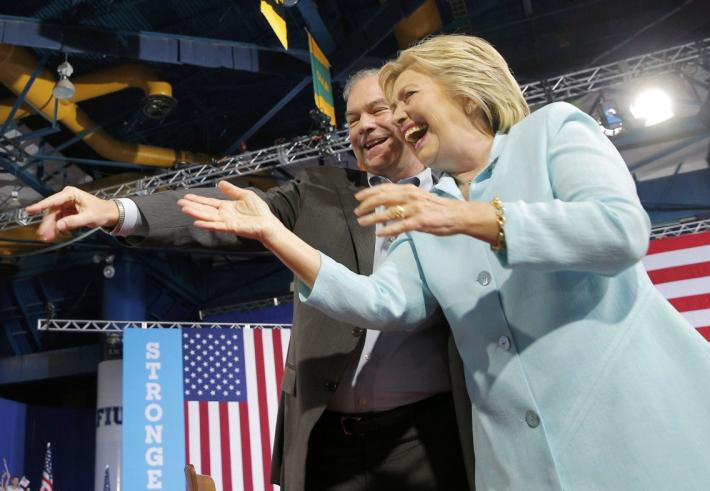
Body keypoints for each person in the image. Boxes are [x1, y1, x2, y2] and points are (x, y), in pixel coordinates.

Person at [178, 35, 710, 490]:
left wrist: (472, 219)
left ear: (467, 94)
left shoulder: (551, 132)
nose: (397, 117)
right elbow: (384, 303)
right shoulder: (427, 209)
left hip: (639, 426)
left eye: (408, 98)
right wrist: (275, 234)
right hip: (520, 466)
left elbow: (620, 231)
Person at [27, 70, 474, 491]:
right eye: (353, 119)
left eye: (377, 111)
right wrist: (116, 211)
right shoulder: (320, 190)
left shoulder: (463, 200)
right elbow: (221, 212)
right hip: (326, 442)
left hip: (427, 437)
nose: (363, 126)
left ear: (411, 116)